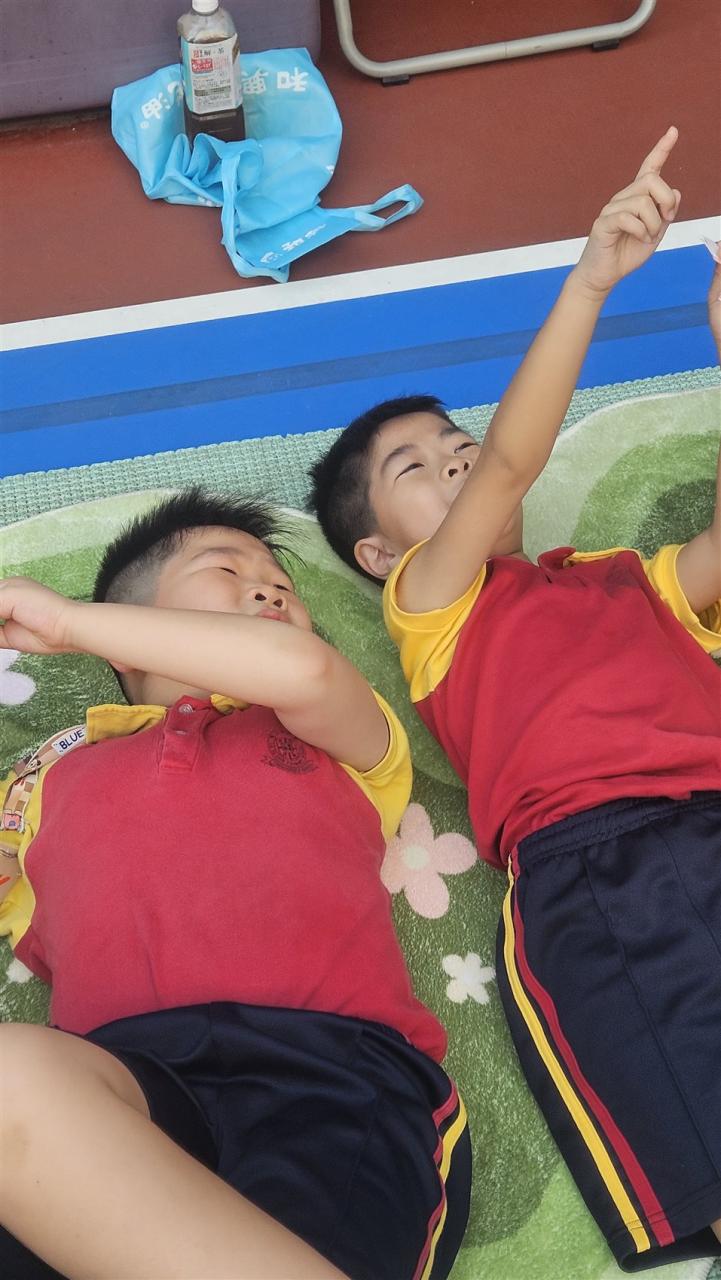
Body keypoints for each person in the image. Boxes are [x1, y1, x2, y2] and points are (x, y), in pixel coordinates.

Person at [308, 127, 721, 1271]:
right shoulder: (431, 604)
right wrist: (589, 281)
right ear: (376, 553)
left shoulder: (625, 578)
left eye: (457, 443)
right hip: (602, 863)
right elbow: (510, 468)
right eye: (416, 467)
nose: (456, 460)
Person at [0, 489, 471, 1280]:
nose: (271, 590)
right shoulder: (51, 779)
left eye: (282, 585)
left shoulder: (330, 731)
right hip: (114, 1093)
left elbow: (304, 669)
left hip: (326, 1073)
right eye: (227, 571)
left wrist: (67, 622)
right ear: (130, 634)